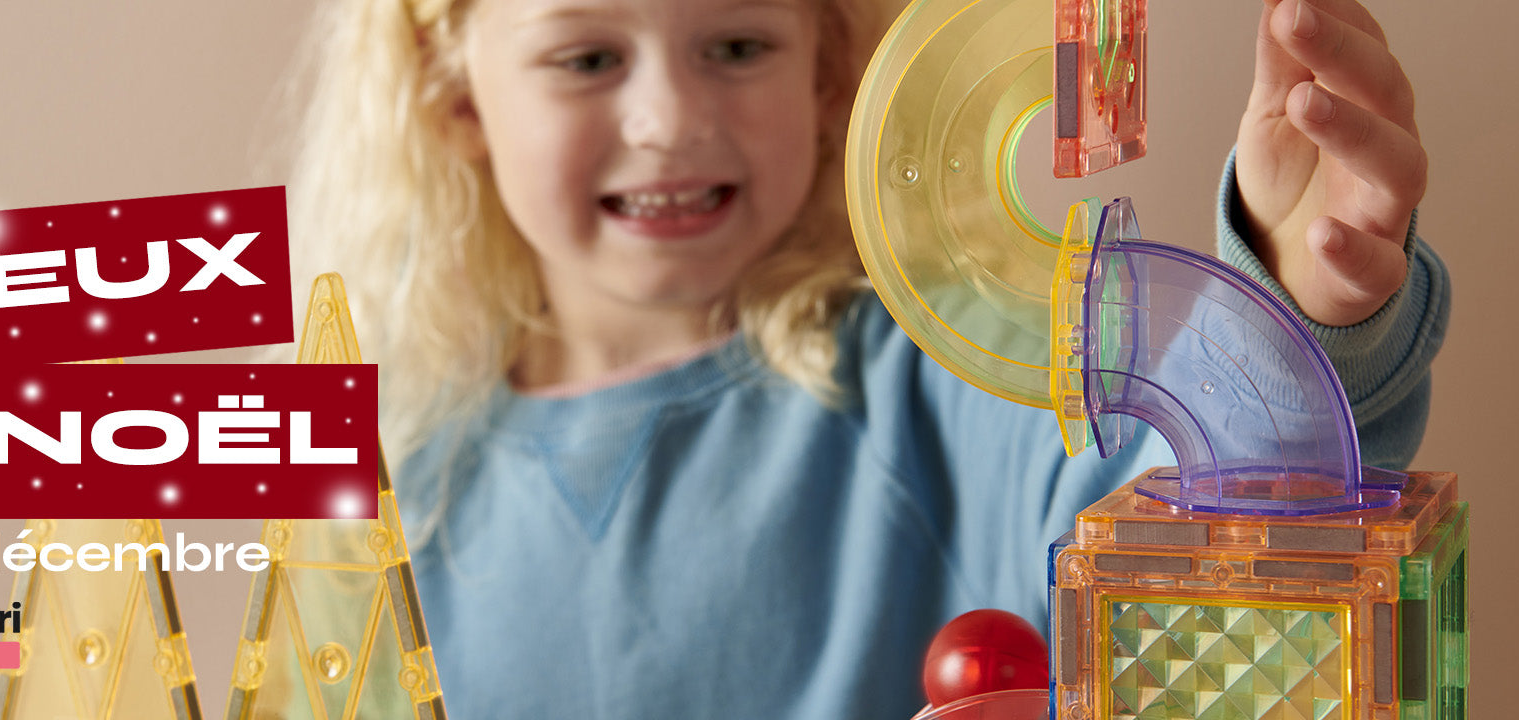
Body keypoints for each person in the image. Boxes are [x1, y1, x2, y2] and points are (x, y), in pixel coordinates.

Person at [285, 0, 1447, 715]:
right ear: (454, 97)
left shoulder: (940, 378)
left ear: (824, 71)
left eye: (736, 44)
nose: (669, 121)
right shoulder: (379, 475)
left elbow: (1213, 516)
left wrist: (1290, 308)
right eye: (585, 57)